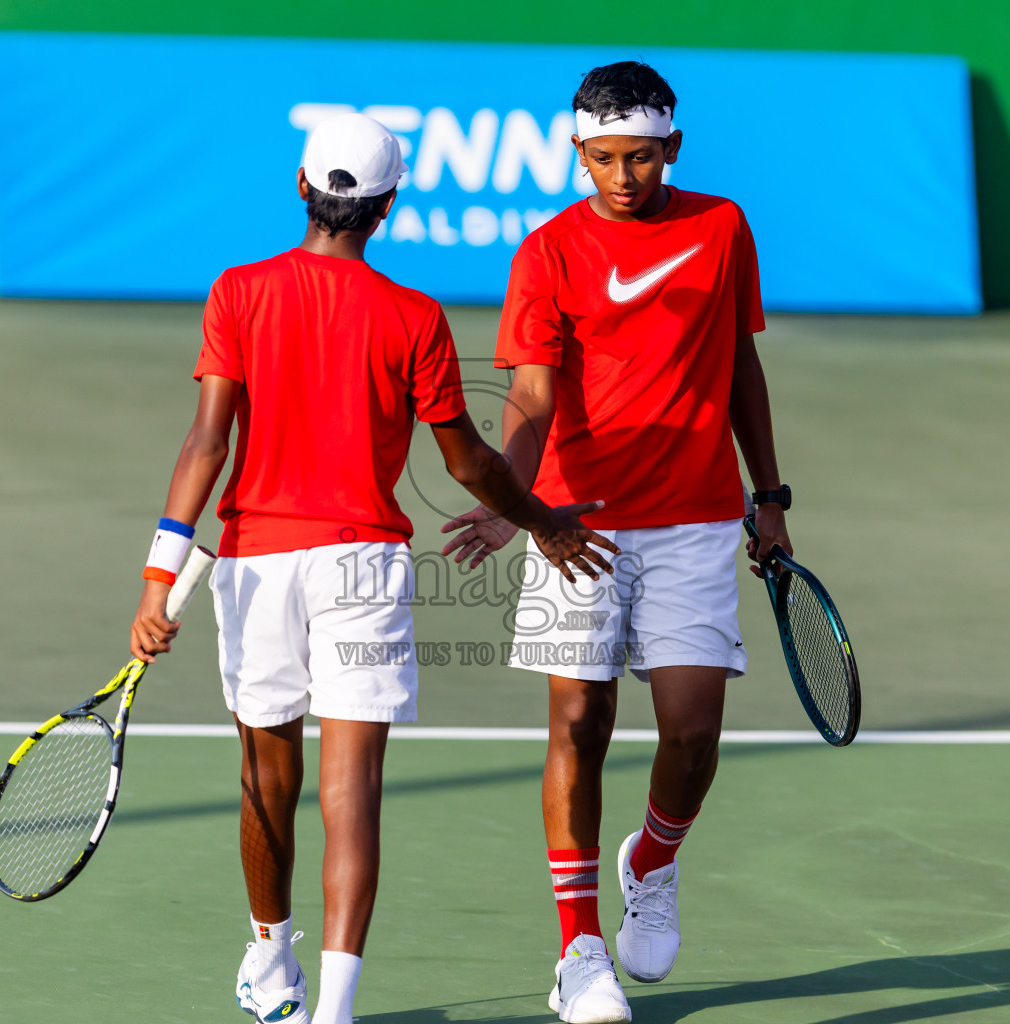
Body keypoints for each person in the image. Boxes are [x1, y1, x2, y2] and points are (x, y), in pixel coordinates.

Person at [129, 112, 619, 1024]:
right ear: (388, 205)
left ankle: (272, 965)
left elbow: (206, 441)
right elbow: (468, 462)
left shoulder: (237, 291)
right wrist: (542, 521)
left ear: (302, 188)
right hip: (364, 566)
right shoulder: (416, 316)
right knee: (352, 795)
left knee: (266, 778)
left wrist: (160, 578)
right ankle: (338, 1010)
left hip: (258, 564)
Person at [441, 62, 793, 1023]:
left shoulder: (720, 227)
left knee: (691, 733)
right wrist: (508, 498)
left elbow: (741, 364)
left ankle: (655, 857)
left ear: (672, 148)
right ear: (578, 153)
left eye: (639, 157)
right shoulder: (549, 249)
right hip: (576, 526)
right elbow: (531, 395)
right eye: (603, 159)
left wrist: (771, 495)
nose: (622, 176)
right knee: (578, 726)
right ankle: (580, 949)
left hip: (695, 516)